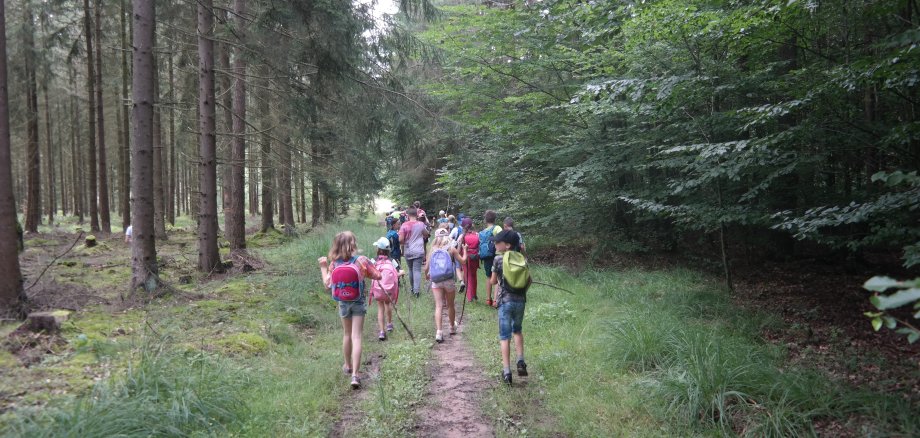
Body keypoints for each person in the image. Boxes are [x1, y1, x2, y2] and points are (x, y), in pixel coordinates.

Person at [318, 231, 382, 389]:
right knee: (357, 336)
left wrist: (323, 267)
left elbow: (327, 285)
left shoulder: (334, 264)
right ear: (353, 244)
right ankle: (356, 374)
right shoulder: (361, 261)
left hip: (343, 303)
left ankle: (347, 365)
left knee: (347, 334)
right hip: (358, 302)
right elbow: (377, 276)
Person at [489, 230, 530, 385]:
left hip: (505, 302)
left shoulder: (498, 259)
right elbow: (529, 280)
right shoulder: (522, 259)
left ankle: (507, 371)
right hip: (520, 301)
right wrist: (522, 293)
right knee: (517, 330)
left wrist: (499, 278)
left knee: (504, 336)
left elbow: (493, 281)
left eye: (497, 242)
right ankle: (520, 361)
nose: (495, 243)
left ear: (506, 245)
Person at [424, 228, 467, 342]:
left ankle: (439, 332)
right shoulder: (451, 249)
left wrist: (427, 276)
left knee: (439, 306)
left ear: (436, 237)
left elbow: (426, 268)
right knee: (450, 305)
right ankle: (452, 327)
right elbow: (463, 261)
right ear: (447, 236)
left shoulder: (432, 250)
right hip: (448, 279)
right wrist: (465, 250)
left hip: (436, 280)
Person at [370, 237, 405, 341]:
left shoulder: (374, 260)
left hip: (378, 289)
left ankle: (381, 331)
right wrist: (402, 273)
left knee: (380, 308)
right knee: (388, 304)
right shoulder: (392, 260)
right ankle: (389, 324)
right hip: (389, 289)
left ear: (378, 249)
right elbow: (398, 272)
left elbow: (370, 272)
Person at [399, 207, 429, 297]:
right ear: (416, 215)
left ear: (407, 215)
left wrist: (404, 244)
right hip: (419, 250)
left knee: (411, 270)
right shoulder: (420, 224)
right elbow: (426, 234)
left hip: (408, 250)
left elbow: (400, 240)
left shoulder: (404, 225)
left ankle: (412, 288)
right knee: (417, 270)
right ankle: (417, 291)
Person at [479, 210, 504, 307]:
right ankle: (495, 300)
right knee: (497, 277)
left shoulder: (483, 232)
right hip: (496, 255)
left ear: (486, 220)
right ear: (495, 219)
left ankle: (488, 299)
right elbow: (502, 237)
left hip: (486, 256)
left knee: (489, 276)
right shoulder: (497, 228)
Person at [461, 217, 480, 302]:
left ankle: (470, 296)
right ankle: (474, 294)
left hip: (467, 256)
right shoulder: (477, 234)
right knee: (474, 275)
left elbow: (460, 247)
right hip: (475, 257)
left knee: (467, 276)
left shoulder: (463, 236)